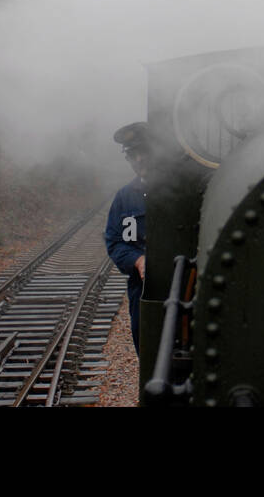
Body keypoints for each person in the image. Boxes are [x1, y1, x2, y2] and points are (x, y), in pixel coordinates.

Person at [104, 121, 151, 356]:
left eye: (144, 152)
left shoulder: (183, 191)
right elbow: (115, 241)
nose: (139, 160)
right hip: (141, 289)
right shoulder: (124, 197)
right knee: (146, 347)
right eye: (133, 155)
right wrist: (138, 260)